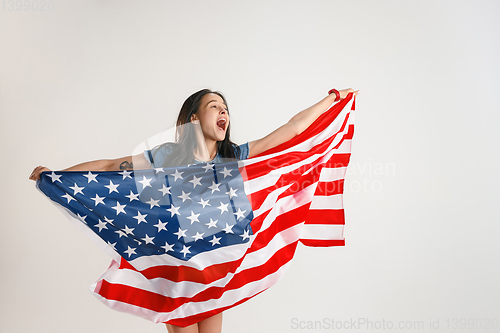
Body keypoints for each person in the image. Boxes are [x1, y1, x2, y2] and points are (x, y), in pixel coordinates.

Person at [29, 87, 359, 333]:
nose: (224, 112)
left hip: (215, 266)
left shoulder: (235, 155)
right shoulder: (168, 156)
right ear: (194, 118)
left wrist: (332, 99)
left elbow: (293, 128)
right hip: (179, 267)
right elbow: (113, 165)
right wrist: (58, 175)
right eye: (214, 106)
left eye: (226, 108)